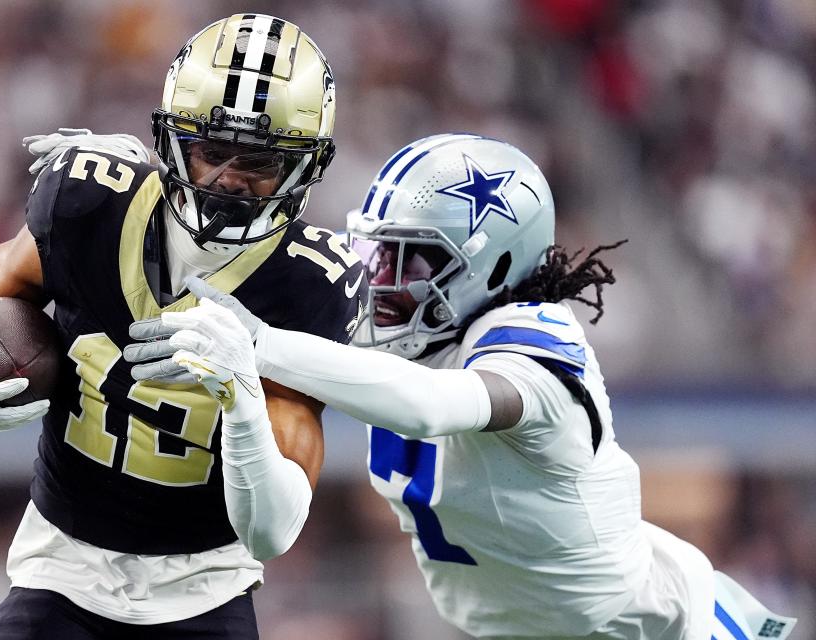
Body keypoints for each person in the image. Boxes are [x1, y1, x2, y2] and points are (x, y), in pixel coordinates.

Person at [145, 134, 798, 640]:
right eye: (377, 254)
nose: (381, 281)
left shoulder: (533, 342)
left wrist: (262, 345)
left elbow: (434, 406)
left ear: (497, 264)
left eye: (413, 260)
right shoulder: (382, 329)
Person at [0, 13, 365, 640]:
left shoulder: (307, 287)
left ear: (304, 167)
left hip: (203, 590)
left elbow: (272, 531)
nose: (229, 178)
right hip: (62, 568)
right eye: (210, 151)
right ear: (171, 141)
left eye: (259, 161)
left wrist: (244, 401)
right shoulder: (88, 204)